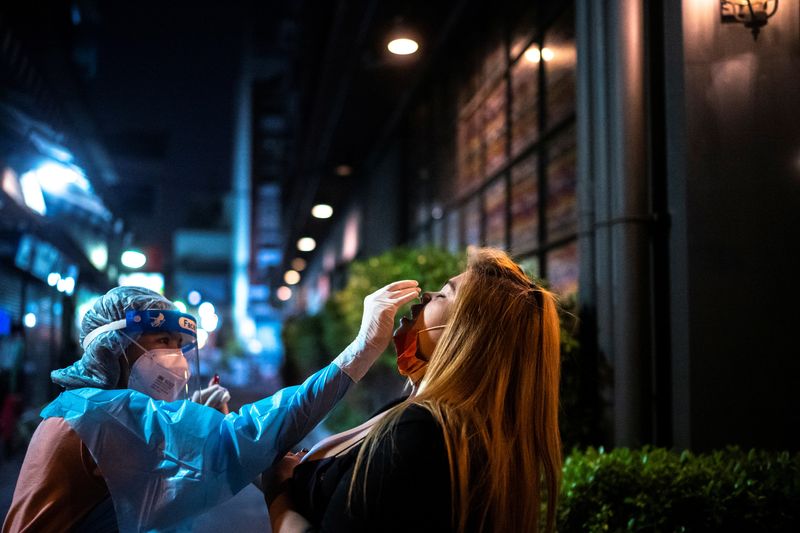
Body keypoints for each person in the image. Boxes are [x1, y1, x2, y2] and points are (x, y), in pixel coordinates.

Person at [3, 280, 420, 533]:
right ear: (114, 349)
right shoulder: (98, 414)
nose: (176, 358)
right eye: (162, 343)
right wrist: (361, 351)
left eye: (180, 346)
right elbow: (242, 438)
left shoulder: (87, 410)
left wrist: (196, 425)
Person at [265, 248, 562, 532]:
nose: (427, 295)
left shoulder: (422, 432)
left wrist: (278, 489)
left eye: (445, 294)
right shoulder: (410, 413)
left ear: (467, 337)